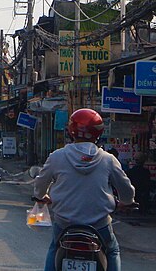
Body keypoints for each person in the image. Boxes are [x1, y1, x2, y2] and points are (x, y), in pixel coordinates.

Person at [33, 108, 135, 271]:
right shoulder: (108, 159)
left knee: (54, 247)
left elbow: (40, 184)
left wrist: (41, 196)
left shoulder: (57, 157)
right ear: (98, 132)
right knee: (112, 250)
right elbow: (126, 188)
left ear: (71, 131)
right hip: (99, 223)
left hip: (65, 223)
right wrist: (127, 202)